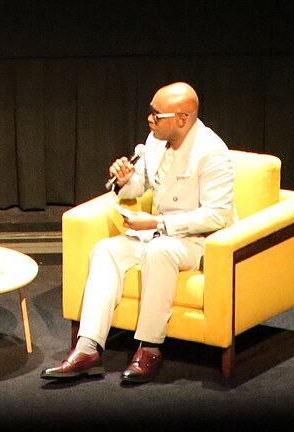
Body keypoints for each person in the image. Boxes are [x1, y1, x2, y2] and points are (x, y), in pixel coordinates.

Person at [42, 81, 234, 385]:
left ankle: (149, 348)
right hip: (156, 232)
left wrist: (158, 224)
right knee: (105, 250)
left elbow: (217, 215)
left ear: (182, 119)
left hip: (198, 241)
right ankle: (88, 348)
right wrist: (124, 180)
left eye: (157, 115)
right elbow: (140, 186)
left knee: (159, 252)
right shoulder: (156, 142)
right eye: (150, 113)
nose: (150, 120)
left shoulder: (212, 153)